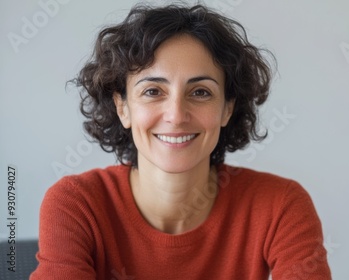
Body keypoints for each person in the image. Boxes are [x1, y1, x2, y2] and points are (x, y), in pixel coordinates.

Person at [31, 3, 331, 279]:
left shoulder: (281, 206)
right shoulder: (76, 205)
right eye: (152, 91)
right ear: (123, 107)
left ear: (227, 108)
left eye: (200, 92)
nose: (176, 115)